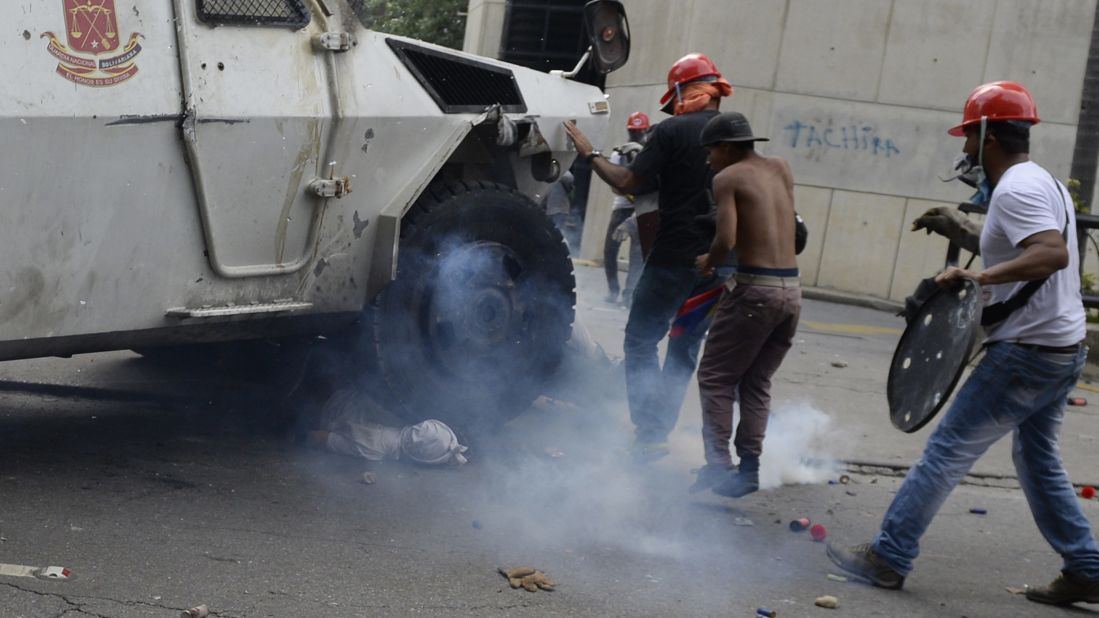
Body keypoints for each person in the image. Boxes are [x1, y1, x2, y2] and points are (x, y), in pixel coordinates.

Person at [827, 81, 1099, 606]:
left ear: (987, 136)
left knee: (947, 450)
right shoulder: (1039, 181)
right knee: (1038, 459)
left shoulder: (1016, 189)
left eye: (969, 137)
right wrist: (964, 235)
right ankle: (1087, 566)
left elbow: (1050, 255)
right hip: (1060, 349)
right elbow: (1024, 246)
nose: (965, 148)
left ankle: (889, 555)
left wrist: (977, 278)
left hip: (1027, 352)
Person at [564, 52, 733, 460]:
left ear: (679, 92)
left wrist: (590, 154)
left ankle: (650, 432)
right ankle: (661, 429)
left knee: (641, 340)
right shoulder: (735, 134)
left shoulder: (671, 130)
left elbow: (629, 181)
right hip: (718, 263)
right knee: (683, 348)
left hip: (673, 259)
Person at [688, 112, 800, 497]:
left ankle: (718, 465)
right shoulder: (781, 168)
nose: (708, 161)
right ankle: (749, 469)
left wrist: (709, 261)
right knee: (756, 381)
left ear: (726, 148)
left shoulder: (727, 178)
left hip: (754, 291)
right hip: (791, 292)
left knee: (716, 377)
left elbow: (727, 238)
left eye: (710, 152)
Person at [604, 111, 657, 304]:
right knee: (610, 249)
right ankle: (613, 291)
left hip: (644, 205)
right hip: (624, 204)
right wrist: (631, 193)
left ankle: (629, 295)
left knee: (638, 253)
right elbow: (615, 186)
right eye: (634, 132)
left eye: (640, 131)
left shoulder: (651, 151)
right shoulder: (620, 153)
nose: (637, 135)